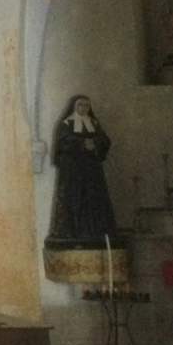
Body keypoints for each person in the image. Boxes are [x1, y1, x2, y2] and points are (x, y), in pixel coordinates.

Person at [45, 95, 119, 247]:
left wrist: (94, 144)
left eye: (86, 105)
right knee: (74, 199)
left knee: (93, 200)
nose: (83, 108)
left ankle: (94, 231)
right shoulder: (66, 124)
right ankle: (72, 231)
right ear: (74, 107)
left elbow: (105, 140)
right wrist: (82, 143)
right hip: (73, 172)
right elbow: (63, 143)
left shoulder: (93, 123)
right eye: (81, 105)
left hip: (92, 171)